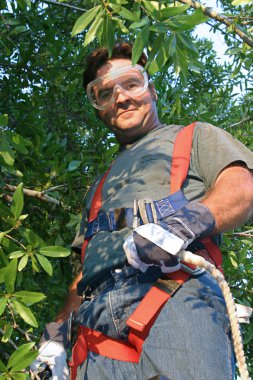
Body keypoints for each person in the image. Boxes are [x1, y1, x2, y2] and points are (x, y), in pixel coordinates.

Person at [31, 42, 253, 380]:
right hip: (95, 325)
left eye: (131, 83)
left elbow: (241, 189)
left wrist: (178, 228)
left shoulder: (193, 137)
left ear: (152, 90)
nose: (120, 97)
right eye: (104, 93)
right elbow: (84, 272)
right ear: (99, 109)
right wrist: (55, 337)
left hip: (175, 294)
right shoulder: (99, 187)